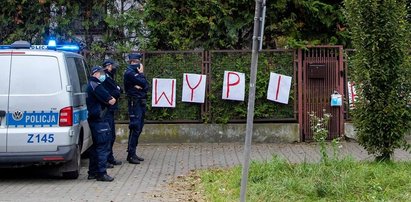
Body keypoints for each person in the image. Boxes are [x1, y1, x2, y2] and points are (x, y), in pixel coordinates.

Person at [86, 66, 116, 182]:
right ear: (97, 73)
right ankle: (101, 173)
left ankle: (92, 172)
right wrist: (110, 99)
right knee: (102, 146)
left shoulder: (90, 84)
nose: (102, 75)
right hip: (99, 119)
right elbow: (111, 100)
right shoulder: (96, 86)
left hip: (93, 118)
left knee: (95, 146)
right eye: (101, 73)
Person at [123, 53, 148, 164]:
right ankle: (131, 154)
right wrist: (141, 75)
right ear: (133, 62)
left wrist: (141, 85)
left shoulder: (135, 73)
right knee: (135, 127)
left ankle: (132, 152)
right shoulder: (130, 73)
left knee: (139, 127)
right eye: (137, 62)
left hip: (140, 102)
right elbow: (143, 82)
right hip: (135, 103)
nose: (138, 64)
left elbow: (146, 86)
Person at [101, 59, 122, 168]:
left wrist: (117, 90)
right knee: (108, 136)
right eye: (113, 66)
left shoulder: (109, 77)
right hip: (107, 110)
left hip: (111, 109)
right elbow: (115, 91)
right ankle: (106, 160)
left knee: (112, 136)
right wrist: (117, 90)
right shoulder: (104, 77)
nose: (114, 68)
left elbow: (119, 89)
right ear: (108, 66)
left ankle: (110, 158)